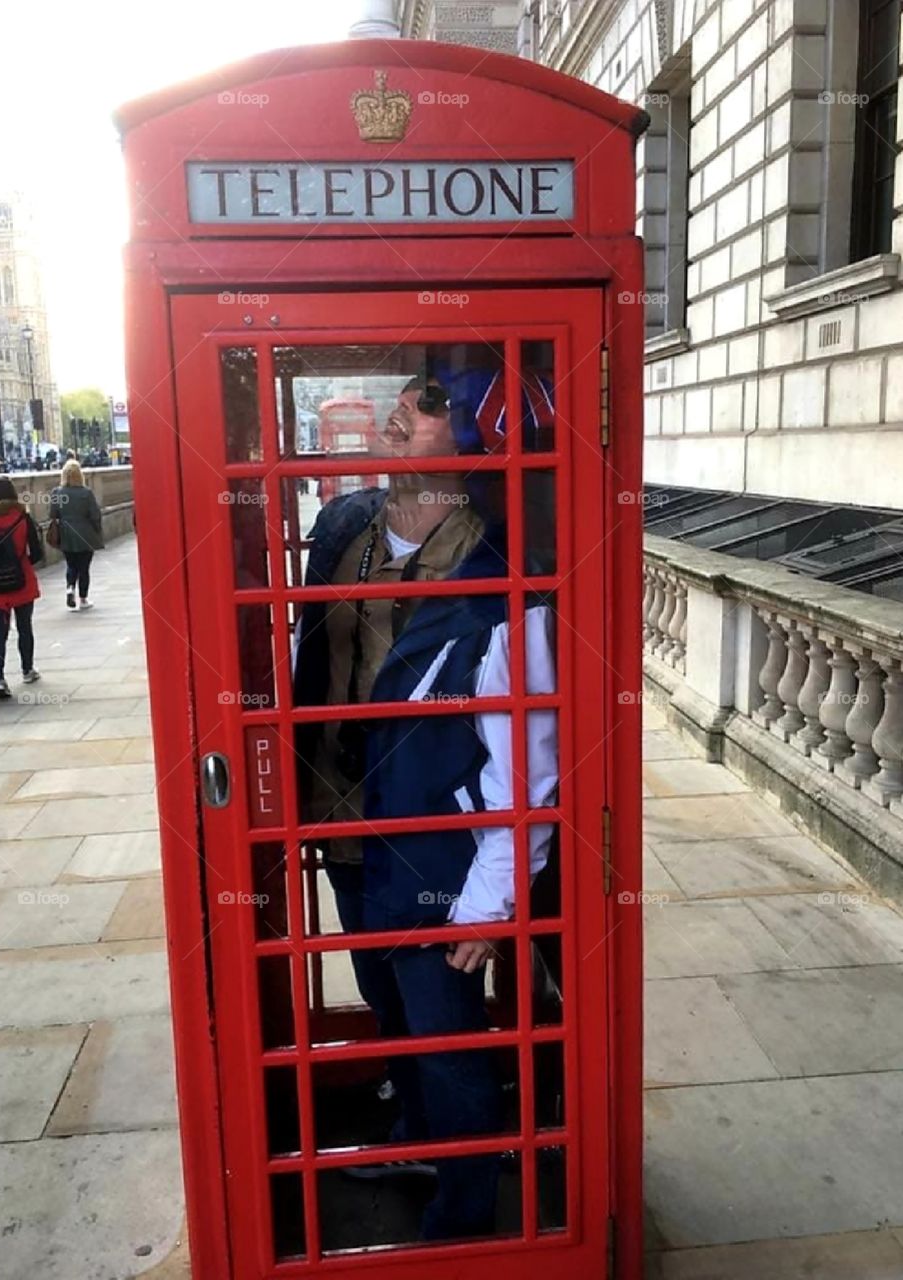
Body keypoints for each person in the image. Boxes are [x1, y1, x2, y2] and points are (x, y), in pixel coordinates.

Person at [293, 370, 558, 1242]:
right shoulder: (343, 528)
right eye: (405, 395)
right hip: (341, 817)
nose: (403, 410)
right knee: (386, 1002)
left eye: (432, 404)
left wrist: (493, 895)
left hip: (437, 843)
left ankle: (466, 1215)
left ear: (476, 441)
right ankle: (415, 1135)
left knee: (447, 1035)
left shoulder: (497, 586)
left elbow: (531, 758)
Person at [0, 476, 44, 701]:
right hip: (21, 581)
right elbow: (38, 552)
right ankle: (27, 670)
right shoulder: (22, 517)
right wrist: (21, 564)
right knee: (24, 626)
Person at [49, 460, 104, 610]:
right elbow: (95, 515)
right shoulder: (86, 493)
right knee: (84, 567)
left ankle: (70, 588)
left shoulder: (57, 493)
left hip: (66, 533)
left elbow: (53, 514)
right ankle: (83, 599)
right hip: (85, 533)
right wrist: (97, 530)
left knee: (71, 564)